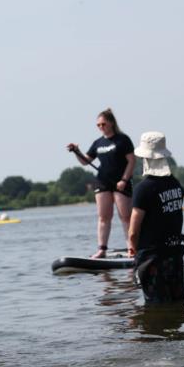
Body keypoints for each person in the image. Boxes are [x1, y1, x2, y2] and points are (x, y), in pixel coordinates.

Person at [67, 108, 136, 258]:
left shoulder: (123, 139)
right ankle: (102, 249)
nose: (101, 127)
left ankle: (132, 247)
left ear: (111, 123)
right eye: (98, 125)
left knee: (125, 217)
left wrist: (124, 179)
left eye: (103, 124)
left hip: (120, 183)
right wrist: (77, 152)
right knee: (104, 217)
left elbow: (132, 161)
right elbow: (86, 162)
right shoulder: (98, 143)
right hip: (103, 182)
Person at [127, 132, 184, 304]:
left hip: (152, 261)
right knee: (177, 305)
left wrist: (133, 249)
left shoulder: (143, 189)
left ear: (145, 159)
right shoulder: (176, 184)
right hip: (175, 257)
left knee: (155, 309)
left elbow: (132, 231)